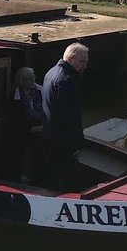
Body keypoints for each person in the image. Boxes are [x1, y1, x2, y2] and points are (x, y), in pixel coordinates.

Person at [41, 42, 89, 190]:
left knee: (53, 168)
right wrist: (78, 142)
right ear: (70, 58)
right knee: (65, 172)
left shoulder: (51, 72)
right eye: (82, 62)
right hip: (63, 138)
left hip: (50, 132)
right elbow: (70, 116)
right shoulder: (66, 80)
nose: (85, 66)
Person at [3, 67, 45, 182]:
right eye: (28, 79)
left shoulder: (41, 91)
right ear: (21, 81)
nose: (32, 81)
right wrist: (30, 129)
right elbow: (15, 121)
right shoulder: (15, 97)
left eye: (33, 77)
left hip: (42, 129)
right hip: (25, 133)